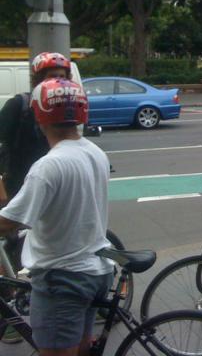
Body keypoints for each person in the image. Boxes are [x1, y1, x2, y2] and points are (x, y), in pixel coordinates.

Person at [0, 78, 114, 356]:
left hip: (62, 279)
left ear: (39, 114)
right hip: (96, 270)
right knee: (81, 349)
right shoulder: (94, 152)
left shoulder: (49, 166)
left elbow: (10, 221)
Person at [0, 52, 72, 204]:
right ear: (38, 80)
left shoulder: (68, 108)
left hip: (55, 190)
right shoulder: (19, 106)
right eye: (52, 76)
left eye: (63, 77)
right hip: (18, 190)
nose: (58, 82)